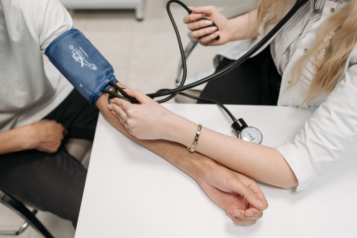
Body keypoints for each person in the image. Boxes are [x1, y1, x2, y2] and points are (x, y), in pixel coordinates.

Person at [0, 0, 267, 227]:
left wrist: (204, 170)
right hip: (7, 145)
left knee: (144, 137)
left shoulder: (24, 5)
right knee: (101, 215)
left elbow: (105, 91)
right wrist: (27, 137)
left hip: (53, 96)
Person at [108, 0, 357, 197]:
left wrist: (169, 125)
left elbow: (294, 168)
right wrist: (231, 29)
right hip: (259, 63)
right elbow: (287, 15)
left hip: (301, 109)